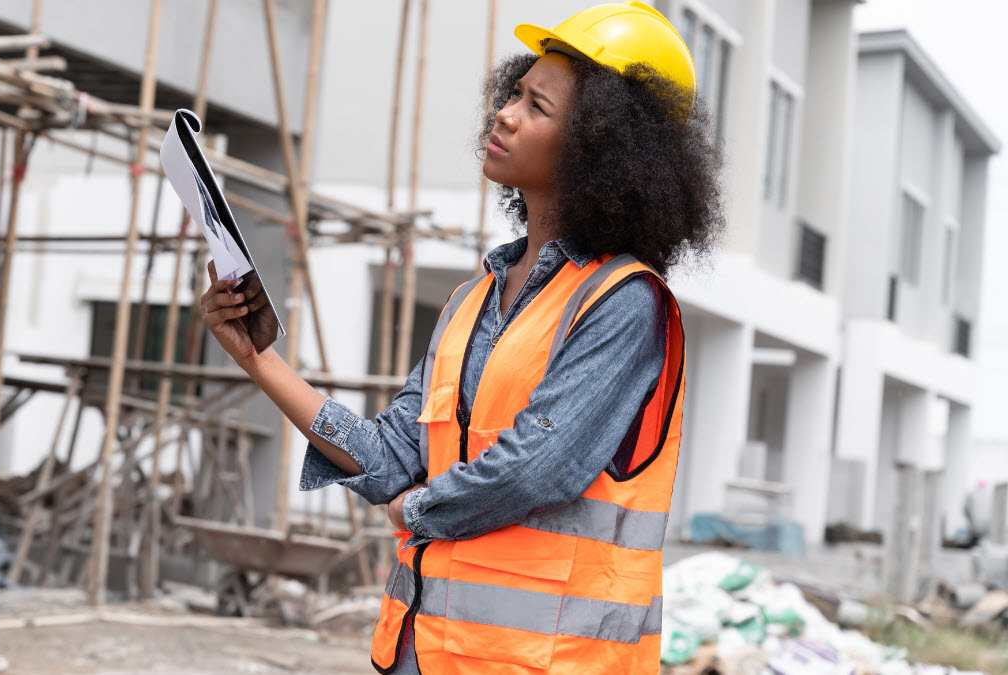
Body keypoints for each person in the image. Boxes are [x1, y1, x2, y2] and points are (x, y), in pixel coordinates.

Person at [199, 2, 724, 672]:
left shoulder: (625, 305)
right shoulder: (470, 301)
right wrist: (260, 358)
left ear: (600, 148)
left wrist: (415, 508)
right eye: (514, 93)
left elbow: (539, 465)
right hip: (427, 652)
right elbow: (392, 455)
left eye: (536, 106)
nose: (503, 113)